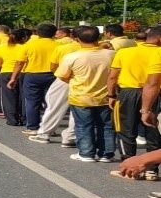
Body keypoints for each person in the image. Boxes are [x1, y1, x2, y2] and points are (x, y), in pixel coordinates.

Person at [54, 25, 116, 163]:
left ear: (77, 39)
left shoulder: (72, 57)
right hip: (106, 96)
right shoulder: (112, 54)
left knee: (83, 126)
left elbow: (62, 76)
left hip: (81, 96)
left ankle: (86, 153)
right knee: (106, 126)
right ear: (99, 37)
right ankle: (106, 154)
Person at [107, 26, 161, 177]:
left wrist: (111, 95)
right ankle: (151, 169)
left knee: (125, 130)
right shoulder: (158, 52)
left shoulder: (125, 52)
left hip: (129, 92)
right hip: (155, 94)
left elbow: (112, 76)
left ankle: (128, 166)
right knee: (154, 131)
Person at [29, 27, 80, 146]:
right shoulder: (104, 51)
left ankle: (44, 134)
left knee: (54, 105)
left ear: (73, 36)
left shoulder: (62, 48)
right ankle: (70, 137)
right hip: (86, 82)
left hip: (64, 79)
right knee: (77, 110)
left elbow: (53, 66)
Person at [15, 23, 58, 136]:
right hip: (53, 75)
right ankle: (49, 128)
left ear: (37, 33)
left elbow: (20, 63)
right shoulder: (58, 45)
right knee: (51, 102)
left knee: (31, 101)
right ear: (54, 33)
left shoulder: (29, 45)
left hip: (32, 75)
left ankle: (33, 127)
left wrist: (13, 78)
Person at [0, 28, 31, 126]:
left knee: (8, 97)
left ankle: (12, 119)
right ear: (24, 38)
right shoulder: (25, 47)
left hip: (6, 72)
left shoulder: (2, 47)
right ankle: (23, 118)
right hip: (22, 72)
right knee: (23, 96)